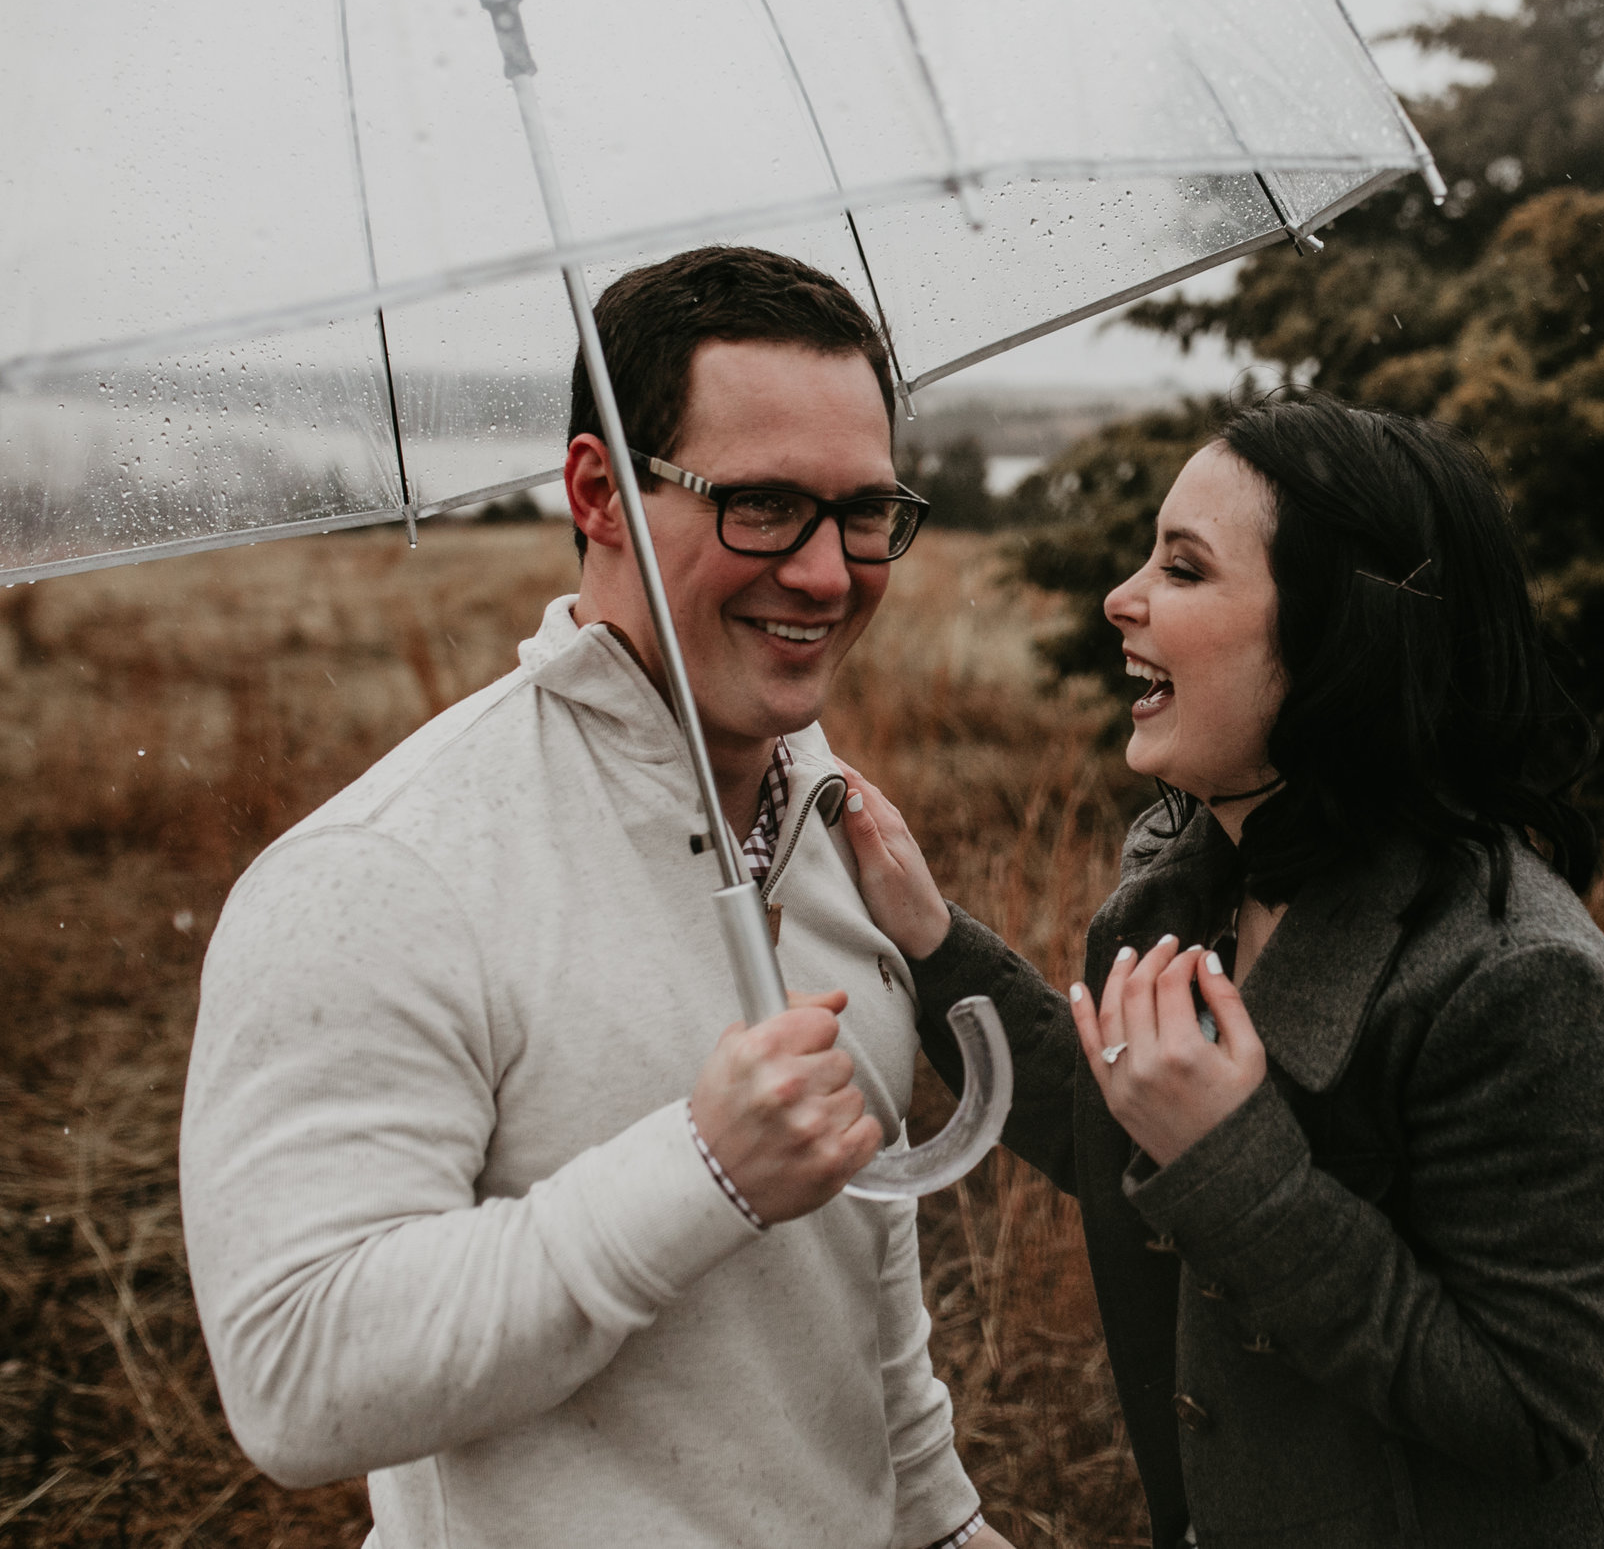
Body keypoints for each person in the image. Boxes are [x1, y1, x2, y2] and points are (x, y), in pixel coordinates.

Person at [181, 247, 1010, 1549]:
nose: (828, 573)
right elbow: (295, 1375)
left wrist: (948, 1524)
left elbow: (857, 1312)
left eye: (863, 510)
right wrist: (701, 1170)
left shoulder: (838, 829)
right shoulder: (383, 873)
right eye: (764, 505)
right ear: (598, 488)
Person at [835, 392, 1604, 1549]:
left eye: (1184, 569)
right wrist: (934, 942)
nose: (1120, 596)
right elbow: (1123, 1119)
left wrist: (1238, 1165)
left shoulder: (1526, 986)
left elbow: (1529, 1408)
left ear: (1338, 636)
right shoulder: (1193, 881)